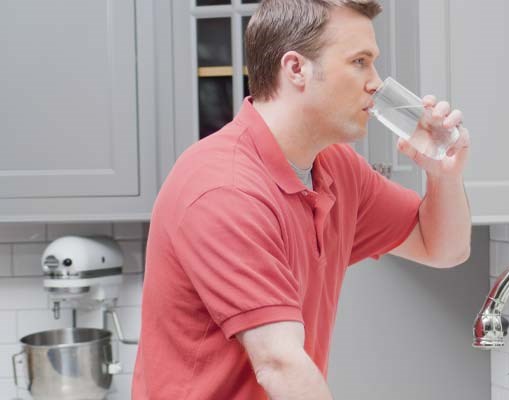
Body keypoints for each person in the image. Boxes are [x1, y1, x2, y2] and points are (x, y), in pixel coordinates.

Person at [132, 0, 471, 398]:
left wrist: (442, 175)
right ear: (296, 69)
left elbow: (443, 247)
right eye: (360, 62)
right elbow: (279, 363)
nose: (376, 82)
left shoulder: (337, 168)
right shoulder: (226, 189)